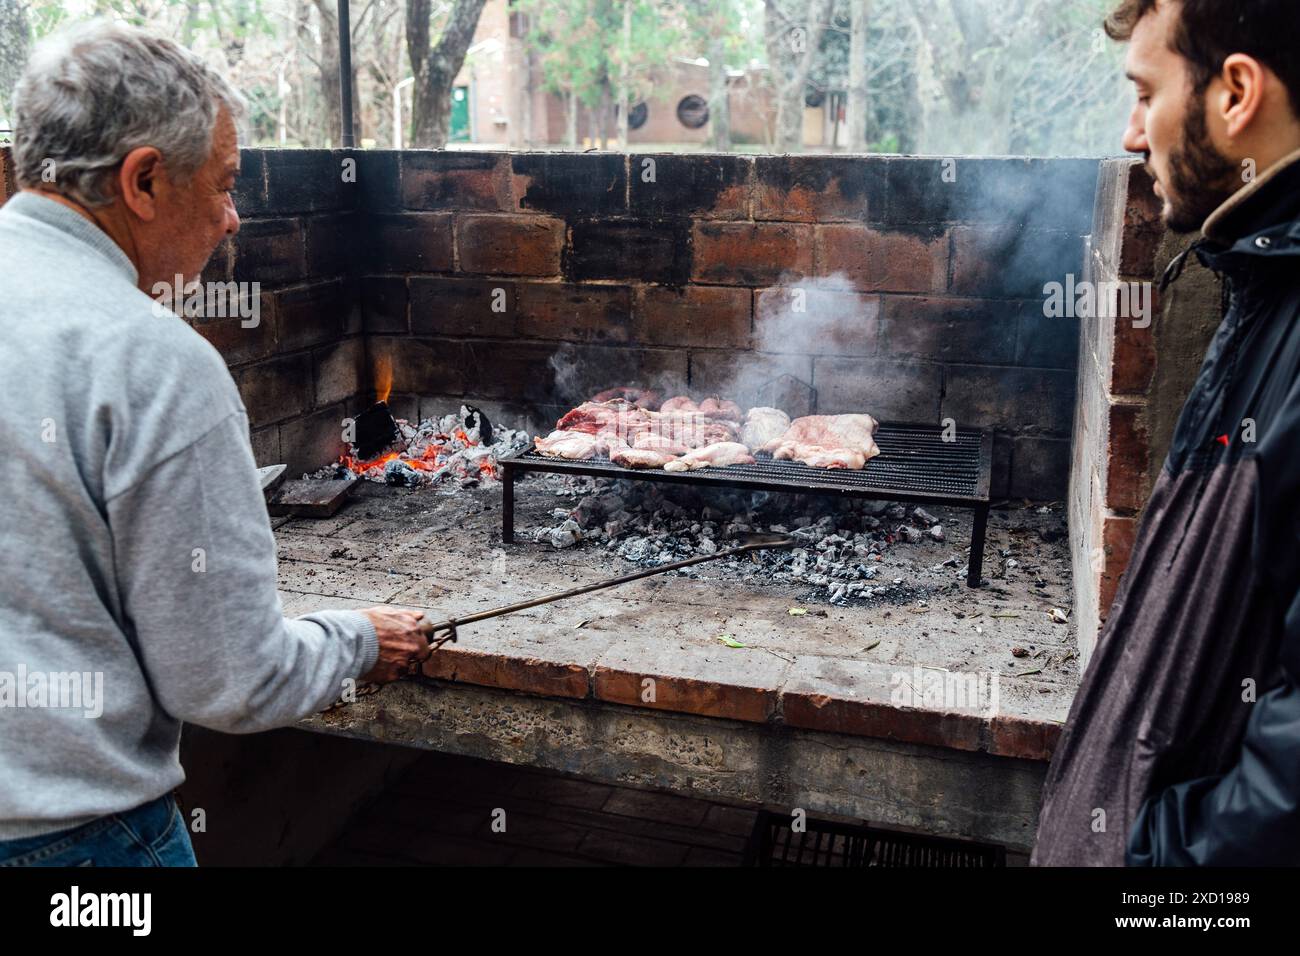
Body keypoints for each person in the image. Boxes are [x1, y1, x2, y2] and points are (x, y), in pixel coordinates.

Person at [0, 21, 433, 867]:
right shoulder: (153, 360)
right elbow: (230, 678)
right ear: (145, 180)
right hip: (77, 849)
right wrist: (359, 640)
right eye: (227, 185)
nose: (234, 219)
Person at [1032, 0, 1300, 865]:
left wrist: (1141, 862)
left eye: (1147, 94)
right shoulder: (1261, 278)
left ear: (1236, 93)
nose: (1132, 134)